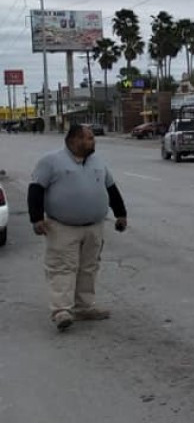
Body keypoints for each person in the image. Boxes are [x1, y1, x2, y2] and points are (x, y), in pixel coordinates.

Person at [28, 124, 129, 331]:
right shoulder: (51, 161)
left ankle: (84, 307)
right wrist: (36, 218)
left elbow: (110, 188)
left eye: (92, 137)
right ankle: (61, 310)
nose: (94, 141)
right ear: (74, 140)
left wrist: (121, 214)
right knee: (62, 267)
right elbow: (36, 189)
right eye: (89, 138)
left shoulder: (98, 161)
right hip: (62, 226)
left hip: (93, 227)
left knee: (89, 267)